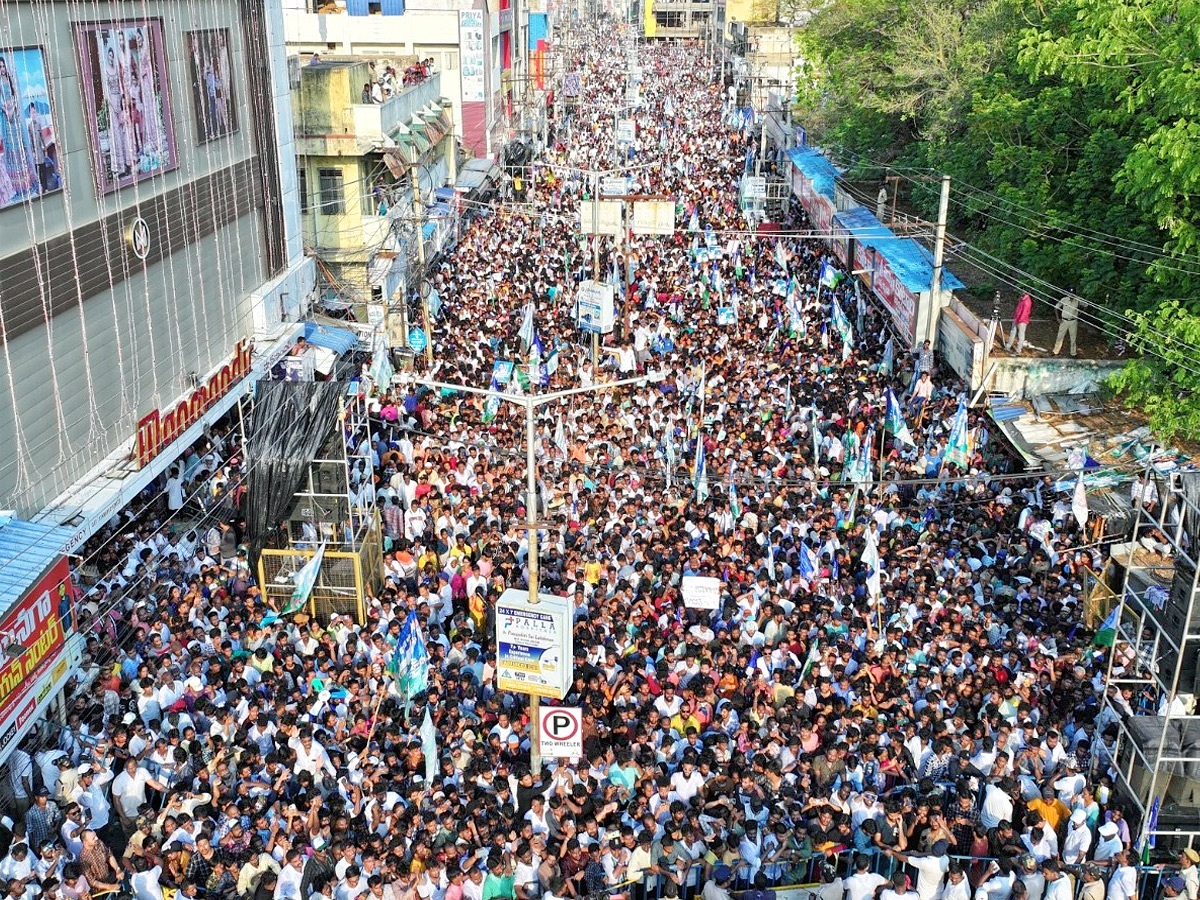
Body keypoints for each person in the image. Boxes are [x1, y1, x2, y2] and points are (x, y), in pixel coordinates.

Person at [1052, 292, 1080, 357]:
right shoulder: (1064, 299)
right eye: (1070, 294)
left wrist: (1079, 314)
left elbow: (1086, 305)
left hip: (1073, 321)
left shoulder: (1078, 300)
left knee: (1073, 337)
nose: (1071, 295)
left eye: (1073, 294)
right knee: (1060, 336)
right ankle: (1055, 351)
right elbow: (1056, 307)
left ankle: (1073, 353)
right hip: (1064, 321)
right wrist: (1058, 318)